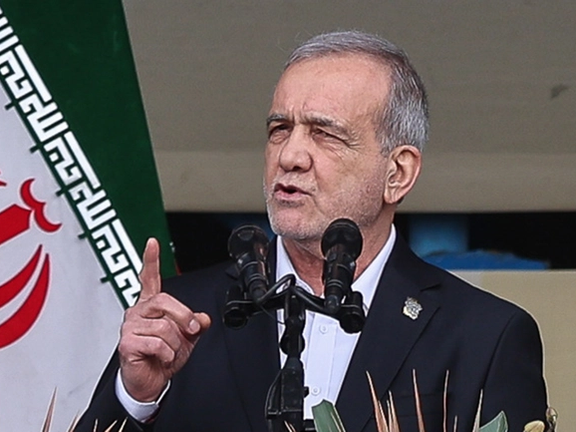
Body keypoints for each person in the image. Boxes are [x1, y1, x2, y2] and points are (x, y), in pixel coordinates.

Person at [77, 30, 547, 432]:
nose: (290, 156)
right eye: (280, 129)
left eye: (325, 133)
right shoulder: (182, 318)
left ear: (398, 173)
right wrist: (136, 399)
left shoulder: (485, 337)